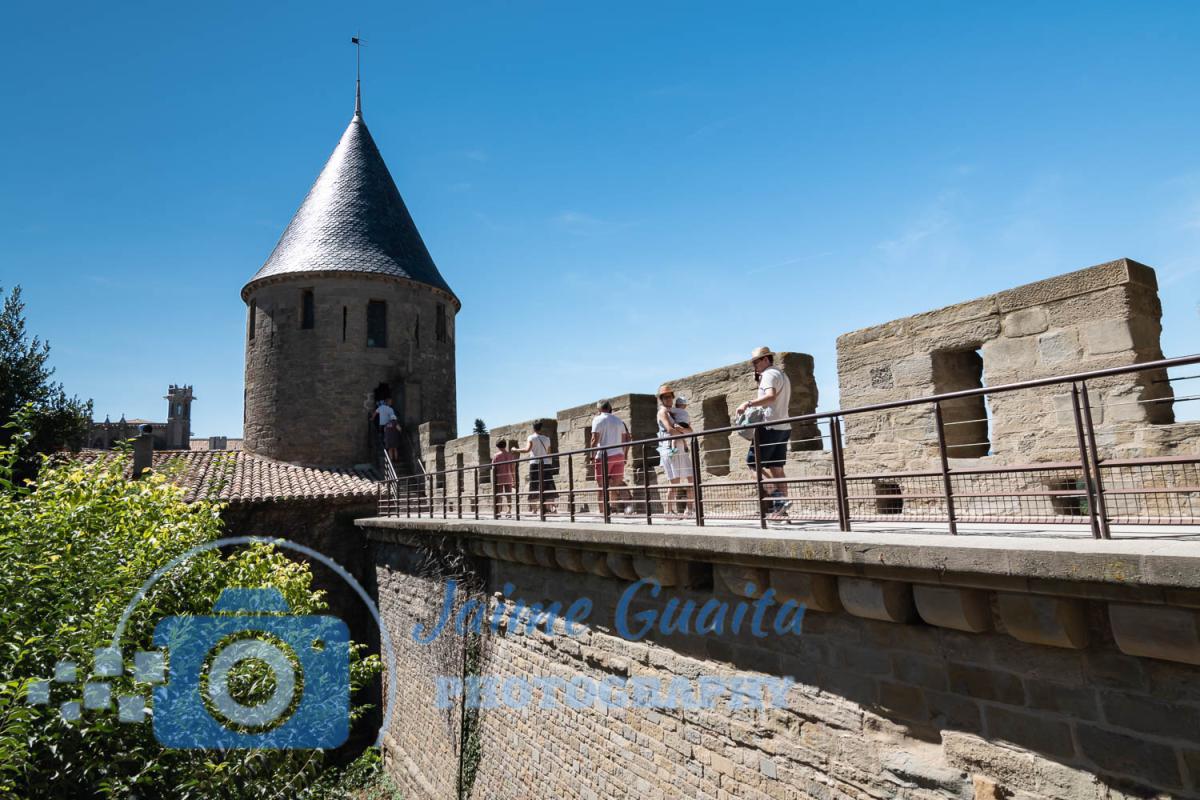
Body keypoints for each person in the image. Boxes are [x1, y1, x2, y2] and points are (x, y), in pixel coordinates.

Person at [736, 346, 792, 519]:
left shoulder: (768, 374)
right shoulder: (782, 374)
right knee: (777, 468)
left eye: (756, 361)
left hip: (769, 427)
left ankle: (778, 499)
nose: (754, 365)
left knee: (753, 465)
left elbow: (771, 396)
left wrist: (748, 403)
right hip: (784, 427)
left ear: (766, 359)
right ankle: (782, 510)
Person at [588, 401, 634, 515]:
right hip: (619, 455)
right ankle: (613, 509)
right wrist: (625, 455)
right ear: (610, 408)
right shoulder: (619, 421)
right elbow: (626, 440)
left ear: (599, 409)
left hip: (604, 456)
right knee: (615, 485)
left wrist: (591, 456)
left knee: (601, 486)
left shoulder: (597, 419)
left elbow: (594, 440)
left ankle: (603, 512)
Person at [656, 385, 694, 518]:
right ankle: (668, 511)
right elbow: (670, 430)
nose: (668, 399)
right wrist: (682, 430)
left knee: (691, 478)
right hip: (670, 449)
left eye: (670, 396)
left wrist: (682, 430)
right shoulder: (662, 412)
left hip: (680, 448)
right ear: (661, 399)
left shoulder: (675, 412)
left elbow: (691, 430)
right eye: (665, 397)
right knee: (675, 482)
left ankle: (689, 510)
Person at [515, 421, 556, 514]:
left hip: (535, 463)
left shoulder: (531, 437)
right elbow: (549, 453)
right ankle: (551, 507)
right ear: (541, 428)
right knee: (548, 484)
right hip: (546, 464)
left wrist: (515, 450)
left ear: (533, 428)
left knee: (534, 485)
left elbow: (527, 450)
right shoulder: (547, 438)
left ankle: (534, 509)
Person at [491, 439, 517, 517]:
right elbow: (513, 468)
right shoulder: (510, 455)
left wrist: (493, 479)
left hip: (499, 478)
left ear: (498, 447)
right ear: (505, 445)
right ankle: (509, 511)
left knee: (499, 495)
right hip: (508, 477)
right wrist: (514, 479)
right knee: (508, 495)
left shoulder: (496, 456)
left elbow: (493, 468)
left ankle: (498, 511)